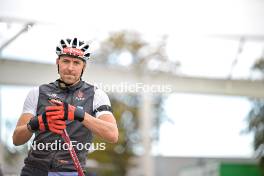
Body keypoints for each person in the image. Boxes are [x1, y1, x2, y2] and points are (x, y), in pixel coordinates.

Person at [12, 37, 119, 176]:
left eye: (76, 63)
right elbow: (16, 140)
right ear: (58, 62)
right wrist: (35, 123)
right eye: (66, 61)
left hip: (70, 171)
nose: (70, 68)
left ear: (83, 67)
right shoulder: (37, 92)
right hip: (34, 170)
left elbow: (112, 134)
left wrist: (79, 115)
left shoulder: (96, 95)